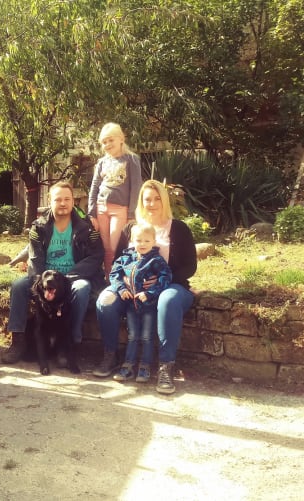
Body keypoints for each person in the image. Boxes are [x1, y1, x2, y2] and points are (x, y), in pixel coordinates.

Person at [93, 179, 197, 394]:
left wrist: (161, 282)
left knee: (167, 300)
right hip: (130, 287)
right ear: (141, 201)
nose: (152, 203)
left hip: (172, 286)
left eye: (157, 198)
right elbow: (119, 263)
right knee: (105, 300)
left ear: (165, 200)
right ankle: (110, 355)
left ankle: (165, 367)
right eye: (147, 199)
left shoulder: (178, 229)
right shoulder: (131, 228)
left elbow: (190, 267)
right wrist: (121, 284)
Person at [2, 181, 105, 368]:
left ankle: (71, 343)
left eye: (67, 199)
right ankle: (17, 340)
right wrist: (41, 282)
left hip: (73, 278)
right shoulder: (38, 227)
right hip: (45, 276)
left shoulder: (87, 228)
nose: (63, 203)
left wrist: (72, 275)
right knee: (18, 286)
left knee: (82, 289)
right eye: (58, 199)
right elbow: (34, 258)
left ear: (73, 201)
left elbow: (96, 256)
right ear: (50, 201)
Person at [107, 223, 172, 383]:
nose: (142, 244)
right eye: (138, 240)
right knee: (132, 336)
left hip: (148, 306)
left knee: (146, 337)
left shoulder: (156, 260)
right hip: (131, 305)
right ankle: (128, 366)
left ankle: (145, 367)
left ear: (153, 241)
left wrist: (150, 293)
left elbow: (166, 278)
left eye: (147, 241)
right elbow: (114, 274)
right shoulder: (125, 258)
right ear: (131, 241)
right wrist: (121, 289)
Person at [87, 122, 142, 279]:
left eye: (110, 140)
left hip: (120, 210)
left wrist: (132, 214)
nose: (107, 144)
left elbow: (136, 187)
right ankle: (107, 278)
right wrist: (92, 214)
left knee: (115, 245)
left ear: (121, 139)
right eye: (104, 142)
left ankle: (116, 278)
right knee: (105, 247)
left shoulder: (131, 159)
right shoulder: (102, 162)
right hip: (101, 208)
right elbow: (94, 187)